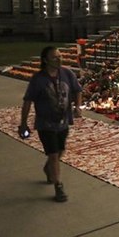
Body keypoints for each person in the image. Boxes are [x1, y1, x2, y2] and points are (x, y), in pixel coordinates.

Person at [19, 46, 83, 202]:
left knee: (60, 151)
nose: (59, 59)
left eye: (60, 56)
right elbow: (28, 101)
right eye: (55, 57)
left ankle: (48, 168)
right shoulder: (38, 79)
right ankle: (58, 186)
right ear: (45, 60)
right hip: (45, 124)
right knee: (54, 155)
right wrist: (23, 123)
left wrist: (77, 106)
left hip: (63, 121)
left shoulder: (67, 73)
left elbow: (77, 90)